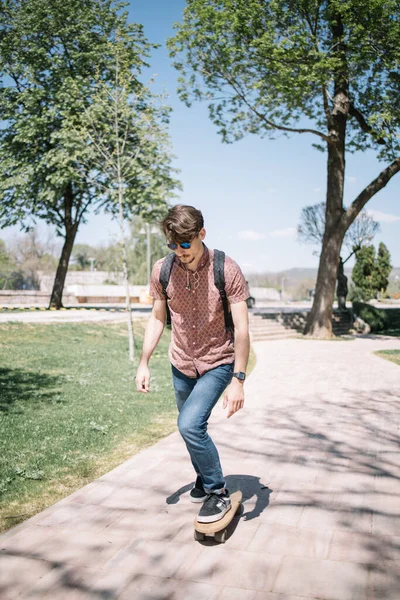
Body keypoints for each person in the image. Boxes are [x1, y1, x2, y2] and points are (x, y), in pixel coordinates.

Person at [135, 205, 250, 524]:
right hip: (181, 362)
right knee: (193, 428)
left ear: (202, 234)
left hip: (218, 362)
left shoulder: (226, 269)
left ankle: (218, 492)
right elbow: (158, 318)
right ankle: (203, 477)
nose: (179, 251)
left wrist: (238, 379)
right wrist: (143, 363)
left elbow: (242, 329)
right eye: (173, 245)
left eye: (185, 244)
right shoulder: (163, 270)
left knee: (188, 425)